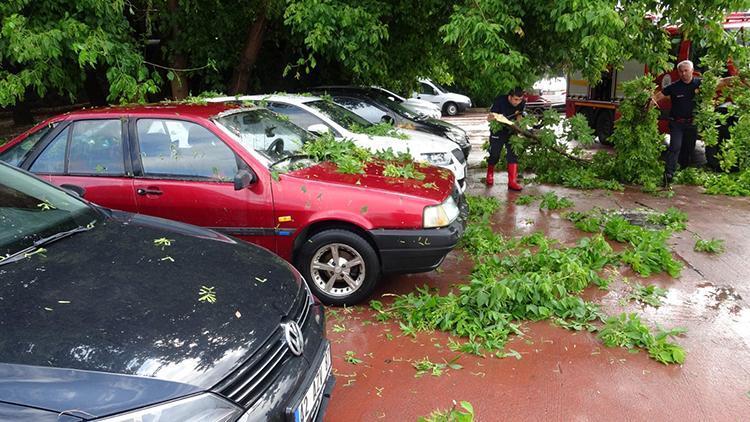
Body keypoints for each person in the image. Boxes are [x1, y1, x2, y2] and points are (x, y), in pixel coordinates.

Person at [652, 59, 734, 186]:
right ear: (678, 72)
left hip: (692, 123)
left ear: (692, 71)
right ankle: (668, 175)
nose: (684, 73)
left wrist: (737, 78)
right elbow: (658, 96)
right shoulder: (674, 87)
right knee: (675, 147)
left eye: (686, 71)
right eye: (681, 71)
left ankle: (682, 171)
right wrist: (648, 104)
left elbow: (721, 82)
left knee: (688, 150)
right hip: (677, 123)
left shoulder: (700, 84)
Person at [486, 88, 525, 190]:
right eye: (515, 99)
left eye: (520, 100)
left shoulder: (522, 103)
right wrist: (494, 117)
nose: (518, 102)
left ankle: (512, 182)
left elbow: (519, 116)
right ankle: (490, 174)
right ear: (510, 97)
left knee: (513, 154)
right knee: (495, 154)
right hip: (498, 130)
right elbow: (490, 117)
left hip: (511, 130)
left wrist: (521, 127)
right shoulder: (500, 101)